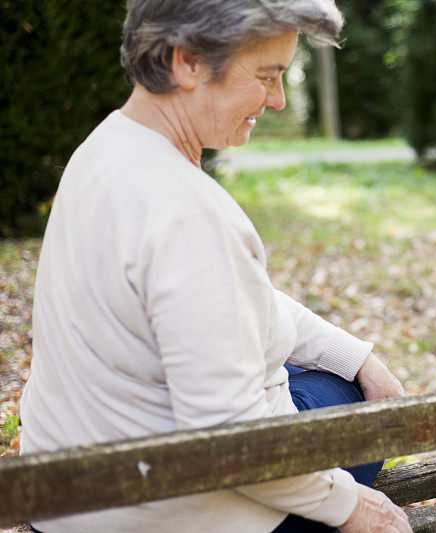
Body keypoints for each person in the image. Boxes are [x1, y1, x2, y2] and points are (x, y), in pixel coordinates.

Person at [20, 1, 412, 532]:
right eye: (267, 76)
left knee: (336, 381)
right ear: (188, 62)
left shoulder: (103, 151)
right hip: (173, 515)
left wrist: (356, 357)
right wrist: (353, 506)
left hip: (69, 501)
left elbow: (225, 301)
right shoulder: (189, 216)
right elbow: (235, 443)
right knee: (349, 411)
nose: (276, 100)